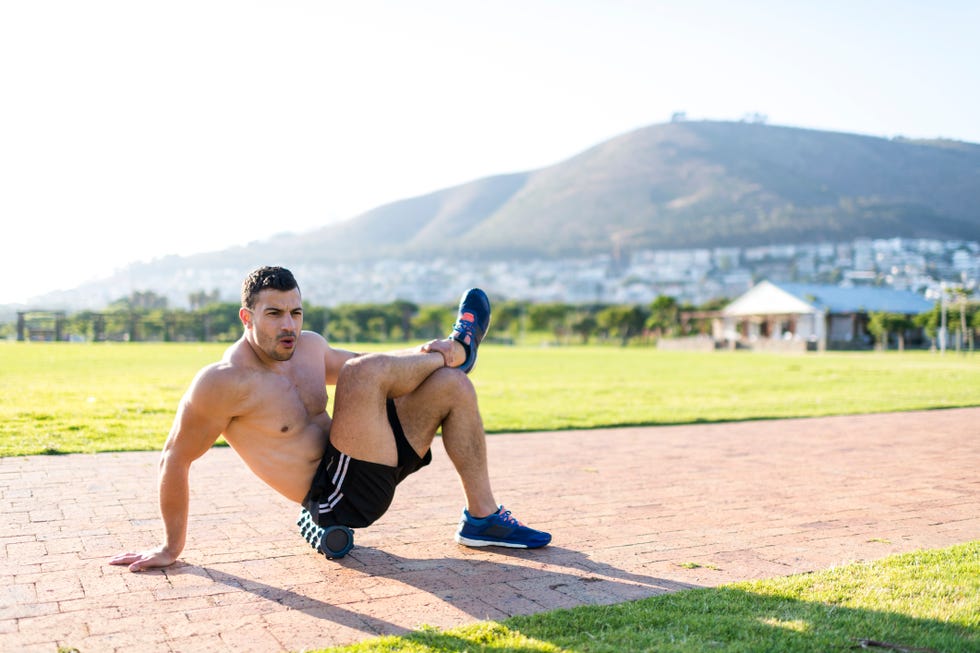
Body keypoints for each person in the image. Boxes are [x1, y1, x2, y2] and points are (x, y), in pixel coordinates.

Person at [109, 266, 550, 571]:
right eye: (275, 314)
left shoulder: (309, 347)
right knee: (368, 373)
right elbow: (174, 458)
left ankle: (482, 518)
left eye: (296, 313)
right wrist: (171, 547)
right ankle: (459, 350)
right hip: (335, 495)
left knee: (452, 388)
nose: (290, 326)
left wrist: (423, 364)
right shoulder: (223, 383)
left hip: (370, 460)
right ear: (247, 317)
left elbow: (379, 372)